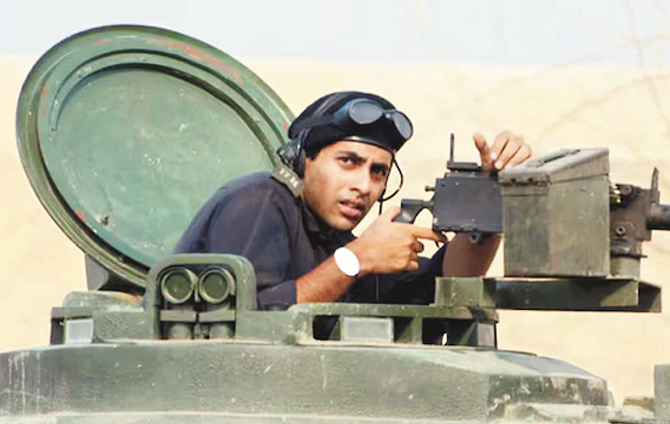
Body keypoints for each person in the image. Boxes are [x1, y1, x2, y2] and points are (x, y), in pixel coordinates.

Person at [174, 91, 531, 310]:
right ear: (304, 160)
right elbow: (245, 323)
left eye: (378, 172)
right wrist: (356, 260)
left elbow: (446, 286)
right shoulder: (260, 201)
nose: (364, 185)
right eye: (348, 161)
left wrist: (492, 198)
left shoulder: (341, 245)